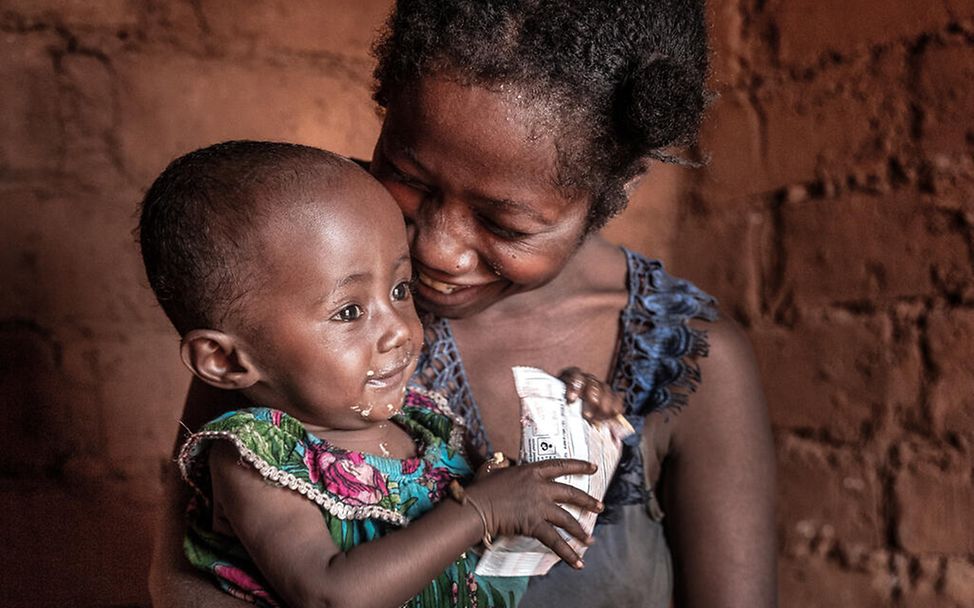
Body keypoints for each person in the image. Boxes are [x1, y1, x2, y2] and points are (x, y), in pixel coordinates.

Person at [150, 1, 776, 607]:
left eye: (505, 224)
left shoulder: (688, 362)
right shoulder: (293, 272)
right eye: (410, 177)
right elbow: (188, 583)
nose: (438, 252)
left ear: (619, 184)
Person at [139, 140, 609, 608]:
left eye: (401, 289)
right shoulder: (255, 459)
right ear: (225, 361)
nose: (400, 331)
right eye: (348, 312)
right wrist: (479, 511)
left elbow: (463, 547)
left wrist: (572, 422)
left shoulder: (421, 422)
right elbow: (331, 595)